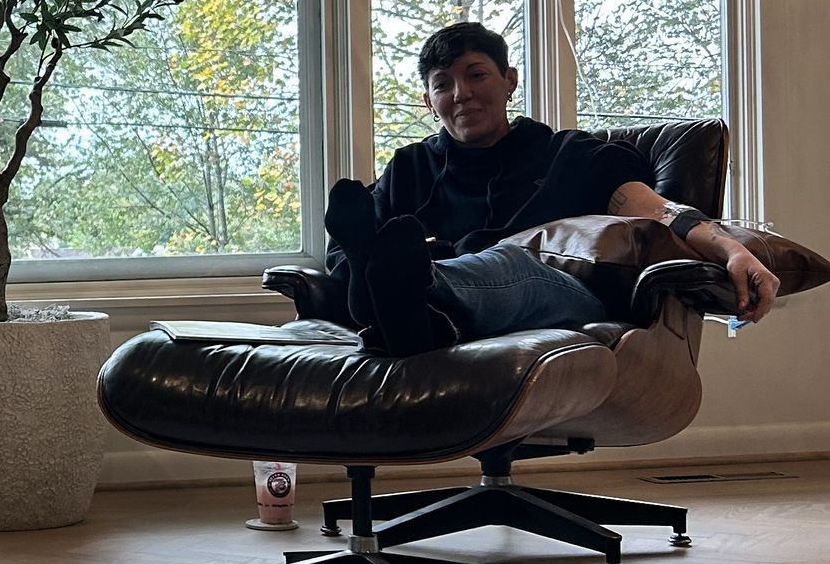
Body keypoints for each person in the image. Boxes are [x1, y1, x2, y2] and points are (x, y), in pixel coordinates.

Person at [323, 20, 778, 356]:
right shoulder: (410, 167)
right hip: (439, 301)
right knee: (377, 256)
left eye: (476, 74)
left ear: (509, 81)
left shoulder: (568, 154)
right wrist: (363, 264)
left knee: (507, 260)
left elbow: (656, 209)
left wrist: (731, 249)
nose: (460, 93)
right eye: (443, 85)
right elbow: (343, 250)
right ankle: (412, 316)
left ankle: (399, 295)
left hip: (558, 293)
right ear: (429, 102)